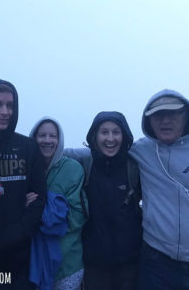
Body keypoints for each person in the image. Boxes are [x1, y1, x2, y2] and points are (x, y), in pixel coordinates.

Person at [0, 79, 46, 290]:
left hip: (20, 257)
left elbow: (39, 197)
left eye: (10, 105)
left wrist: (16, 233)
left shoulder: (27, 147)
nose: (5, 111)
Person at [65, 111, 142, 290]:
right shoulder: (85, 163)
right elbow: (56, 151)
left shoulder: (134, 167)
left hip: (130, 264)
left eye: (116, 132)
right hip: (94, 264)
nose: (110, 138)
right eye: (104, 132)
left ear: (124, 136)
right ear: (94, 136)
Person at [129, 89, 189, 290]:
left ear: (185, 115)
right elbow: (99, 151)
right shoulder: (142, 150)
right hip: (156, 260)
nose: (165, 120)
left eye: (173, 114)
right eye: (158, 115)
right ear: (149, 120)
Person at [29, 117, 87, 290]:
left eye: (52, 136)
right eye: (42, 135)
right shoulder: (25, 168)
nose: (47, 140)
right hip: (31, 261)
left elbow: (77, 216)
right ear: (33, 138)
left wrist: (39, 207)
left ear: (59, 139)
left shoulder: (73, 169)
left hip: (67, 262)